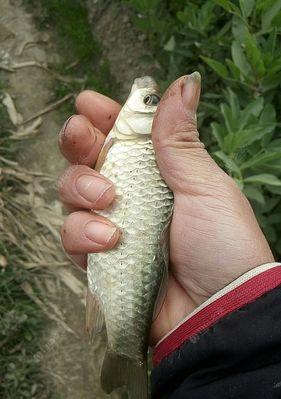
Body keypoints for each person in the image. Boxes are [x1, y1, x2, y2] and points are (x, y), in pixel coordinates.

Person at [58, 73, 281, 398]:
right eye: (151, 101)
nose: (144, 93)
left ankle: (126, 353)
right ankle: (126, 350)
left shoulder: (132, 146)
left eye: (150, 102)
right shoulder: (135, 147)